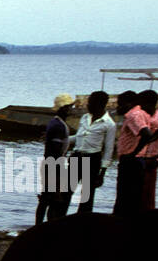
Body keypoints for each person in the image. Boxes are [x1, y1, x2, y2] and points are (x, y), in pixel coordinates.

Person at [112, 91, 158, 215]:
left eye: (120, 104)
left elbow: (147, 134)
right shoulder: (142, 114)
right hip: (136, 161)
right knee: (133, 198)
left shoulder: (133, 115)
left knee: (124, 198)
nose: (118, 108)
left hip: (131, 162)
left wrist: (133, 153)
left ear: (129, 104)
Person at [69, 91, 116, 213]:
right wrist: (61, 139)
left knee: (87, 197)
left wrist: (102, 173)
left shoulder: (109, 124)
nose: (87, 105)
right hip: (76, 156)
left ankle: (83, 223)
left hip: (92, 160)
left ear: (99, 104)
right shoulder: (85, 117)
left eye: (90, 103)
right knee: (66, 191)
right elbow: (78, 137)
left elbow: (108, 149)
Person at [36, 93, 76, 224]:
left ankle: (40, 226)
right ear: (63, 108)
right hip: (53, 165)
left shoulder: (56, 123)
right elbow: (54, 151)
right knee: (52, 200)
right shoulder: (59, 126)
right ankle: (43, 227)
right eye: (69, 107)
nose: (71, 109)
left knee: (46, 199)